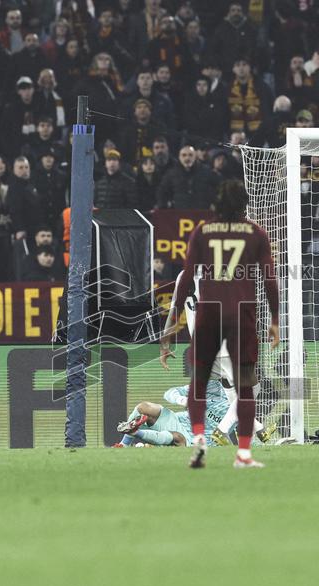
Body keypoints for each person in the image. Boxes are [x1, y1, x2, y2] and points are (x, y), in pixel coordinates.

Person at [160, 180, 280, 469]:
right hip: (236, 323)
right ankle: (234, 440)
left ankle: (205, 439)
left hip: (203, 329)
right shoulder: (253, 234)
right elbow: (269, 279)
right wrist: (275, 318)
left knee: (208, 386)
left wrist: (166, 333)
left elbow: (183, 283)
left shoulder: (202, 237)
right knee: (249, 387)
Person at [170, 268, 276, 447]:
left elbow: (174, 309)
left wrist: (165, 342)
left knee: (229, 384)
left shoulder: (183, 274)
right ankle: (223, 429)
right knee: (252, 388)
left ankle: (258, 428)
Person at [112, 381, 232, 448]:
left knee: (177, 437)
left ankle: (136, 432)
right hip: (177, 420)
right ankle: (124, 444)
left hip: (194, 441)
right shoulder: (212, 386)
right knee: (144, 407)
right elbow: (169, 393)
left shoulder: (240, 404)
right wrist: (183, 400)